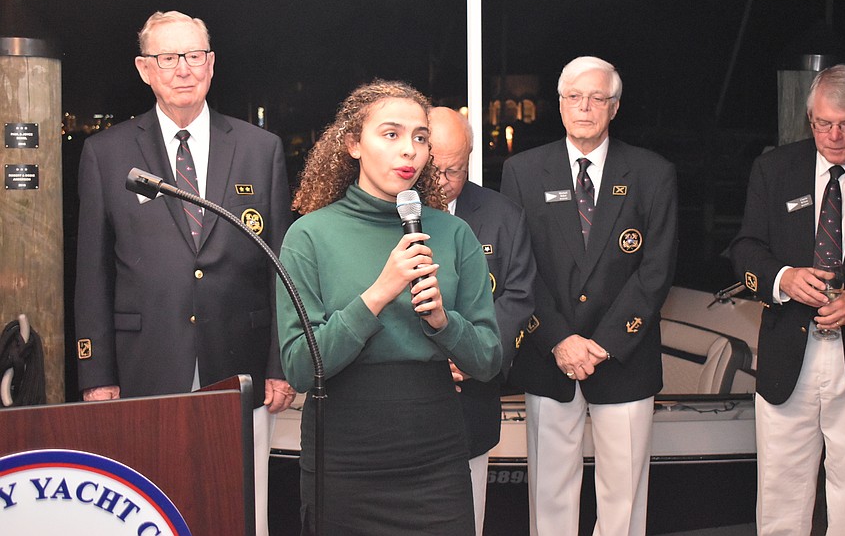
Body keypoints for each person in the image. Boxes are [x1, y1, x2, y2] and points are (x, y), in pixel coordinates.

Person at [73, 10, 296, 536]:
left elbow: (280, 265)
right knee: (148, 504)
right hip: (143, 365)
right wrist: (97, 374)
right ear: (144, 69)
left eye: (194, 56)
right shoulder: (105, 154)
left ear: (211, 65)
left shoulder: (260, 149)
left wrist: (280, 362)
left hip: (240, 365)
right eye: (167, 58)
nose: (182, 70)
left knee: (243, 506)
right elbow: (92, 272)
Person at [277, 80, 502, 535]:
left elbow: (488, 360)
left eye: (420, 137)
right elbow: (301, 367)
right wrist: (379, 293)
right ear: (353, 144)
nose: (410, 151)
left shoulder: (454, 235)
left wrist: (444, 322)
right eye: (391, 134)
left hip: (436, 452)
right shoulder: (308, 236)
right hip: (344, 455)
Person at [500, 56, 678, 536]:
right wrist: (559, 339)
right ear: (559, 105)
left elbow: (656, 271)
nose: (585, 107)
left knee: (623, 497)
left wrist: (601, 344)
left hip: (624, 356)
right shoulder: (521, 171)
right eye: (574, 97)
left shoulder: (652, 173)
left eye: (597, 98)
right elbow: (519, 269)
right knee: (550, 494)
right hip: (549, 355)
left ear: (614, 107)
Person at [730, 64, 845, 535]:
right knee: (781, 495)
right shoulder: (775, 169)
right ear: (809, 119)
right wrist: (782, 277)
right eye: (824, 124)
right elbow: (744, 249)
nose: (835, 135)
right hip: (787, 357)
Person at [429, 106, 536, 536]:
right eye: (430, 167)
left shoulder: (502, 215)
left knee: (467, 519)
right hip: (402, 399)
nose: (438, 182)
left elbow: (519, 296)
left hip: (471, 402)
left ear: (469, 159)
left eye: (451, 171)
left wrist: (473, 356)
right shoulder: (387, 210)